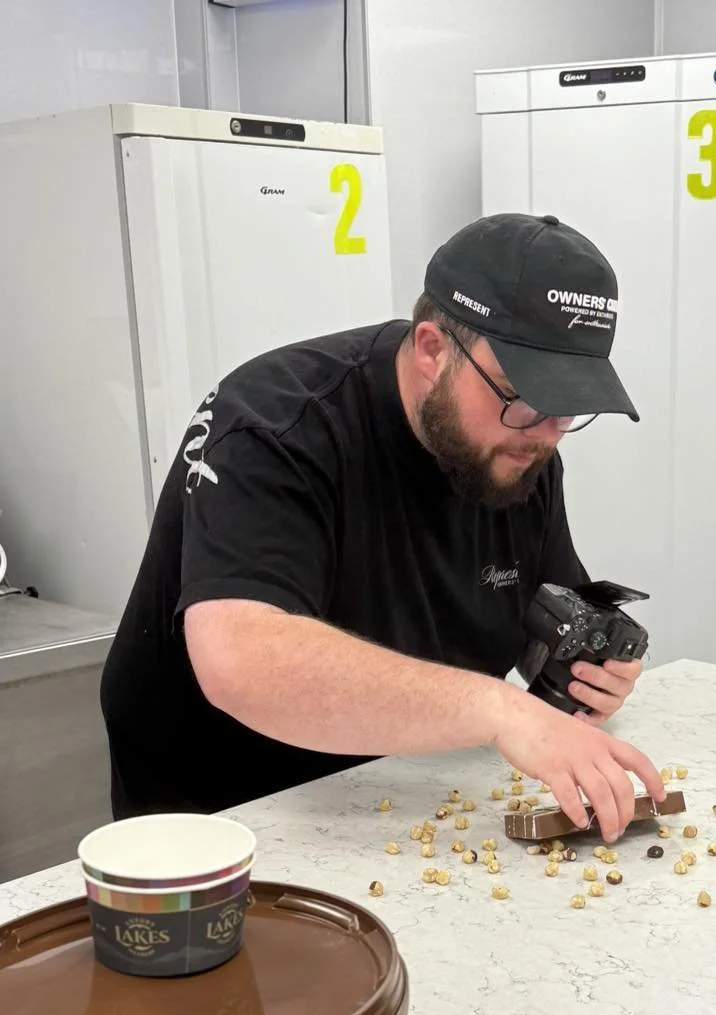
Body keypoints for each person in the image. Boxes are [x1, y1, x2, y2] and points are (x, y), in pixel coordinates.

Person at [99, 211, 664, 842]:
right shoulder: (275, 423)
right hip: (225, 809)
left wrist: (586, 670)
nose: (545, 433)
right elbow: (240, 658)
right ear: (432, 350)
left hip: (393, 795)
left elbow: (550, 608)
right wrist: (497, 709)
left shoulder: (518, 448)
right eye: (524, 397)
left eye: (569, 408)